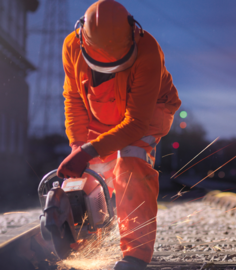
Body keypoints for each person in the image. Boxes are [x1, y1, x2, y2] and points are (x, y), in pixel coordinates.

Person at [57, 1, 181, 269]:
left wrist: (89, 150)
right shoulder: (71, 46)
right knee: (93, 171)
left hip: (148, 113)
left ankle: (135, 255)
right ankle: (87, 238)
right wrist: (79, 146)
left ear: (133, 35)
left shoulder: (148, 51)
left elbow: (136, 124)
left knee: (131, 162)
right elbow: (74, 98)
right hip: (102, 112)